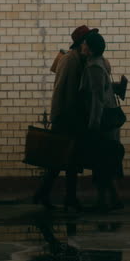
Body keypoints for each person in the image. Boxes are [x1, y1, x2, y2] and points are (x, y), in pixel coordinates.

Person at [31, 24, 94, 210]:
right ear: (81, 42)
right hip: (67, 117)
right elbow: (63, 90)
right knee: (62, 159)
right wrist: (61, 116)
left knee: (63, 159)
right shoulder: (70, 60)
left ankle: (50, 195)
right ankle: (61, 197)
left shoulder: (75, 59)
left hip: (68, 116)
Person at [79, 30, 125, 211]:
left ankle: (106, 200)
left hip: (102, 122)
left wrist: (93, 125)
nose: (82, 46)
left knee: (102, 161)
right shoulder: (100, 64)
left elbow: (97, 98)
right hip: (108, 119)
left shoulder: (94, 68)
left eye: (84, 44)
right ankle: (112, 198)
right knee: (106, 160)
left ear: (89, 49)